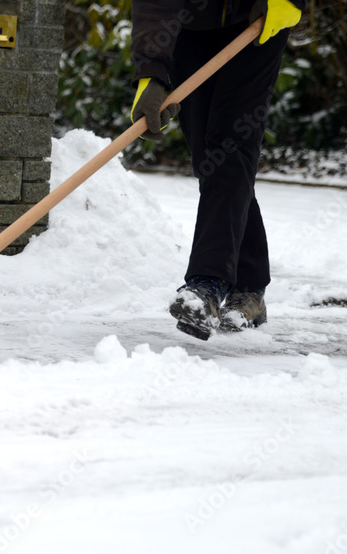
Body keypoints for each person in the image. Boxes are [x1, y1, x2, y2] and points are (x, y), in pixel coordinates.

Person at [129, 0, 306, 340]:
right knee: (208, 161)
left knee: (229, 148)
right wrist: (150, 73)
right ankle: (250, 286)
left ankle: (206, 286)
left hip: (257, 18)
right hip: (190, 26)